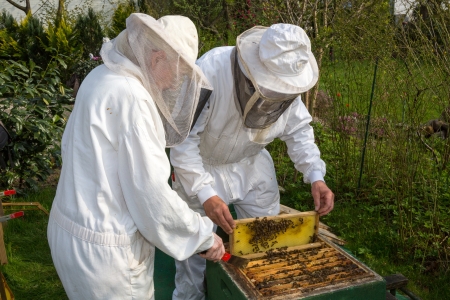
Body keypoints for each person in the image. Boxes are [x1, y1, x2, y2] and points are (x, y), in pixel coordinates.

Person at [47, 13, 225, 299]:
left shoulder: (101, 75)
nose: (172, 86)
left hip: (68, 229)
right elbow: (152, 197)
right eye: (175, 76)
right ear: (156, 59)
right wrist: (203, 236)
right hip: (107, 256)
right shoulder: (133, 98)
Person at [170, 24, 335, 299]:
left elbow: (299, 130)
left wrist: (316, 175)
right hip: (201, 164)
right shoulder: (210, 71)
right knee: (195, 247)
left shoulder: (286, 78)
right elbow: (183, 140)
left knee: (266, 241)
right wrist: (206, 193)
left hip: (252, 164)